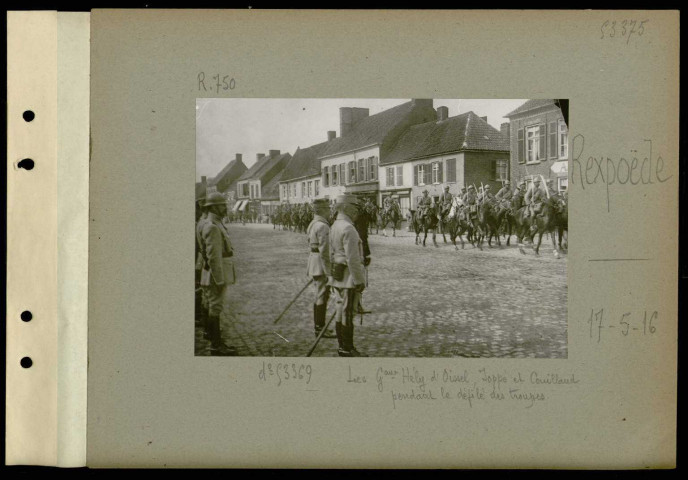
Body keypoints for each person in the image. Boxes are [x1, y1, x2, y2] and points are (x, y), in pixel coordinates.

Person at [329, 195, 368, 357]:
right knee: (347, 313)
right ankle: (347, 348)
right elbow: (353, 258)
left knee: (340, 311)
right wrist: (359, 281)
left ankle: (342, 346)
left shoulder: (335, 225)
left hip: (337, 277)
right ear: (345, 208)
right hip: (348, 279)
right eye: (354, 207)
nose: (357, 211)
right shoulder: (348, 228)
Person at [199, 192, 237, 356]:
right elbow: (214, 256)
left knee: (210, 305)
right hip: (215, 274)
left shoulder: (209, 223)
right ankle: (216, 346)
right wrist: (219, 279)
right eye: (222, 205)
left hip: (209, 273)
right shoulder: (212, 227)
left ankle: (211, 337)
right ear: (214, 207)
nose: (225, 207)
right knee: (215, 307)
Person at [306, 199, 336, 338]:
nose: (330, 211)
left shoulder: (313, 223)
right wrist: (329, 272)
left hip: (314, 262)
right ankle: (320, 328)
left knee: (320, 294)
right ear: (323, 210)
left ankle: (319, 327)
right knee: (322, 295)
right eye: (328, 209)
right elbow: (325, 252)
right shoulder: (323, 226)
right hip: (321, 265)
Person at [353, 197, 372, 315]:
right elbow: (363, 237)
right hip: (358, 252)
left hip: (356, 251)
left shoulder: (358, 217)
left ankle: (356, 305)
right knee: (358, 280)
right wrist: (365, 254)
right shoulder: (360, 218)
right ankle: (357, 305)